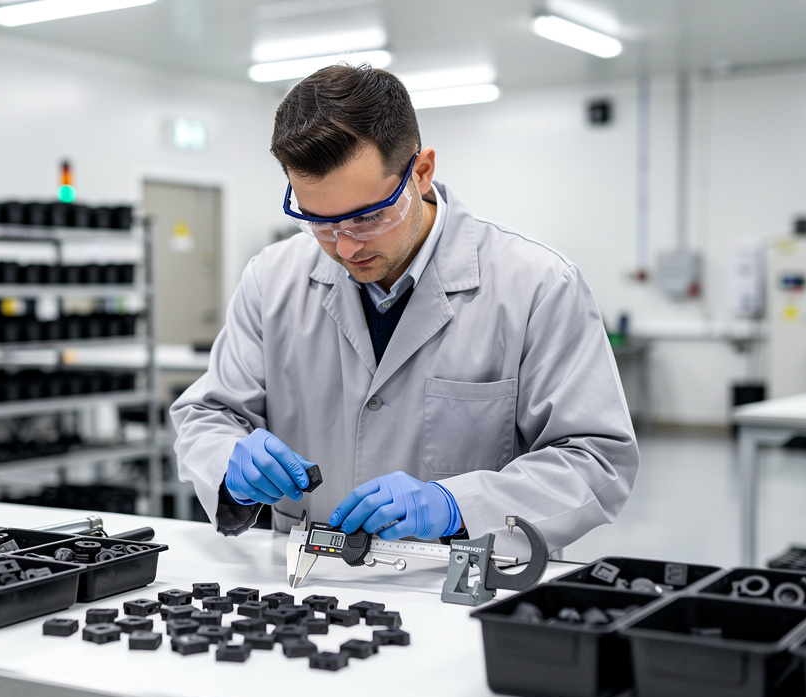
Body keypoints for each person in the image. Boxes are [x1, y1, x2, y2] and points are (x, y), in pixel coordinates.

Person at [169, 64, 638, 557]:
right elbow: (208, 415)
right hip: (310, 579)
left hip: (469, 580)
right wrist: (229, 461)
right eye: (319, 222)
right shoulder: (272, 279)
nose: (345, 247)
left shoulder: (538, 285)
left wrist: (458, 506)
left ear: (422, 172)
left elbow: (596, 460)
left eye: (369, 217)